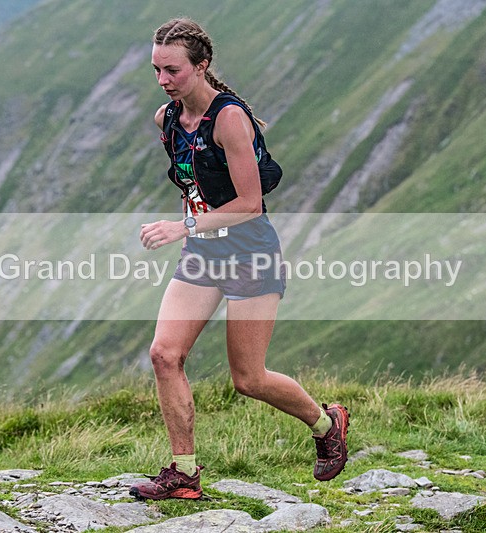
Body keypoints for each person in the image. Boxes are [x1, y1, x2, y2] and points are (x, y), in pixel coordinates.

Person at [129, 17, 349, 501]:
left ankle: (325, 422)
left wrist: (180, 226)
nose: (163, 81)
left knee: (248, 379)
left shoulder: (230, 119)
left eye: (173, 70)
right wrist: (190, 230)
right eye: (156, 70)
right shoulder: (167, 122)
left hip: (251, 254)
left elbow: (250, 204)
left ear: (201, 66)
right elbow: (196, 188)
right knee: (165, 354)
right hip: (204, 254)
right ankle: (183, 474)